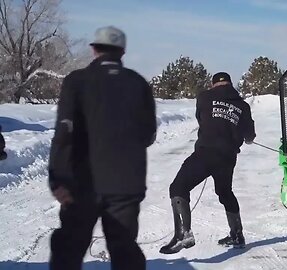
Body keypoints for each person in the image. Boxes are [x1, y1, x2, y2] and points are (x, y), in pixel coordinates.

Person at [48, 26, 157, 270]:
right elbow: (148, 134)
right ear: (123, 51)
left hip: (81, 183)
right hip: (126, 184)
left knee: (69, 250)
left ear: (94, 48)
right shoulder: (138, 83)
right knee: (124, 250)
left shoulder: (76, 81)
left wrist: (57, 178)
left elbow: (64, 132)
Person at [159, 72, 256, 254]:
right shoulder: (242, 105)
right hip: (228, 157)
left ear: (213, 85)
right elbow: (250, 136)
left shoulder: (204, 97)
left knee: (178, 187)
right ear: (230, 84)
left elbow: (201, 119)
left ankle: (183, 234)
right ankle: (237, 235)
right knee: (225, 192)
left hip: (206, 153)